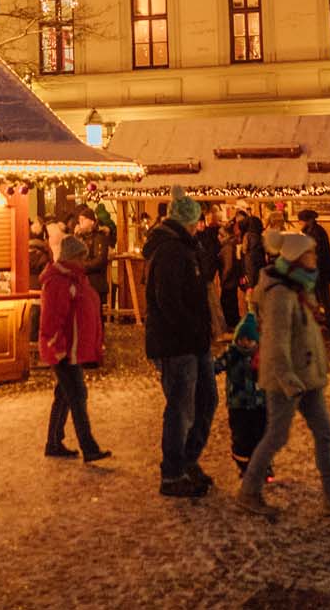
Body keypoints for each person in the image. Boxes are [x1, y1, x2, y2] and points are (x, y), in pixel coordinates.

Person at [236, 233, 330, 520]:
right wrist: (288, 379)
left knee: (324, 433)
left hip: (307, 375)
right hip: (288, 380)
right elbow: (276, 342)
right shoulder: (281, 294)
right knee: (276, 436)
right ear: (295, 258)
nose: (315, 257)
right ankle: (249, 490)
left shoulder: (299, 287)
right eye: (310, 253)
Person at [142, 188, 217, 498]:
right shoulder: (171, 251)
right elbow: (169, 301)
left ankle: (187, 460)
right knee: (181, 408)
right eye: (197, 221)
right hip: (176, 344)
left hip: (193, 342)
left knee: (206, 400)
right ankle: (173, 473)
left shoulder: (185, 248)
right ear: (189, 221)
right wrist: (192, 331)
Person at [39, 236, 111, 462]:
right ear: (73, 257)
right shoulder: (60, 281)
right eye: (81, 257)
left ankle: (53, 442)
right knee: (77, 395)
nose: (84, 261)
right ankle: (89, 447)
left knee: (65, 395)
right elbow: (52, 319)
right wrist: (57, 347)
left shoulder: (74, 278)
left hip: (70, 348)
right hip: (63, 350)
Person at [212, 310, 270, 480]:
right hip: (238, 406)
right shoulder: (232, 354)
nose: (244, 343)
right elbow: (217, 365)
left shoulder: (262, 357)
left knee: (261, 435)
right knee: (241, 438)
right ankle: (244, 465)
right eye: (241, 339)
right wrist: (208, 368)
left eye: (249, 339)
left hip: (260, 405)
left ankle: (263, 466)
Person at [299, 209, 330, 333]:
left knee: (321, 297)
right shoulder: (316, 231)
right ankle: (325, 323)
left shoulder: (315, 233)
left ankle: (326, 323)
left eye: (301, 221)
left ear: (308, 220)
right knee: (322, 297)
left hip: (318, 270)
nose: (300, 223)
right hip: (320, 269)